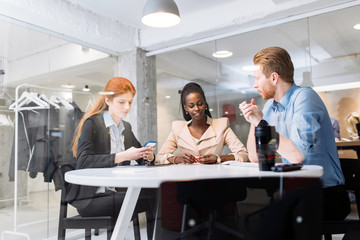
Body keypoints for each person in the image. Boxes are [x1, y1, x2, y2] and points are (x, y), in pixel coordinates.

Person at [239, 46, 350, 221]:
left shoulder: (305, 97)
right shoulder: (270, 108)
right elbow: (256, 157)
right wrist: (254, 122)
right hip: (294, 190)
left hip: (326, 194)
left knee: (268, 220)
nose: (254, 85)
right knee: (252, 214)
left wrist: (262, 123)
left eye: (257, 79)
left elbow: (297, 156)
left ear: (274, 77)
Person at [66, 77, 156, 237]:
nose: (127, 107)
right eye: (122, 102)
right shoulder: (92, 123)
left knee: (156, 193)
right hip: (92, 198)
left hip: (117, 192)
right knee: (153, 197)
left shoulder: (126, 127)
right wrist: (122, 156)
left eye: (130, 102)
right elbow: (84, 161)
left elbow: (140, 155)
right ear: (108, 99)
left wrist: (148, 155)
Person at [156, 82, 248, 164]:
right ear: (186, 108)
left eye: (200, 104)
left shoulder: (221, 126)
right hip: (187, 179)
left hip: (214, 179)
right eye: (191, 106)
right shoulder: (178, 129)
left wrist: (218, 158)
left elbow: (244, 155)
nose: (196, 108)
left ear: (205, 103)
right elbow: (159, 158)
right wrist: (177, 159)